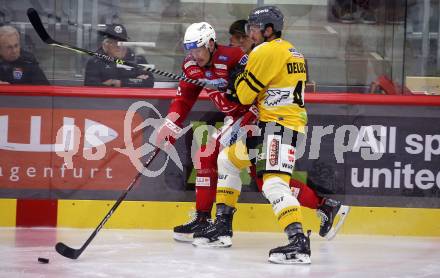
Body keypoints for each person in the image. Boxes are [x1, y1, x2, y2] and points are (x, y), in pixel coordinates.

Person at [167, 21, 349, 245]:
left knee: (225, 162)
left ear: (211, 44)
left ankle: (210, 222)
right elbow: (183, 99)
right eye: (190, 50)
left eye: (198, 48)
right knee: (247, 172)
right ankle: (325, 206)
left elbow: (255, 86)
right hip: (235, 120)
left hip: (252, 116)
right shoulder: (191, 66)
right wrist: (170, 125)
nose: (195, 55)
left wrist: (231, 87)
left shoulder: (234, 56)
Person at [84, 23, 154, 88]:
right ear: (106, 44)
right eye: (114, 42)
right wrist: (134, 81)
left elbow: (149, 82)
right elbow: (90, 87)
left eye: (122, 42)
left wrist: (119, 82)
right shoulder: (95, 61)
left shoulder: (138, 59)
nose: (119, 46)